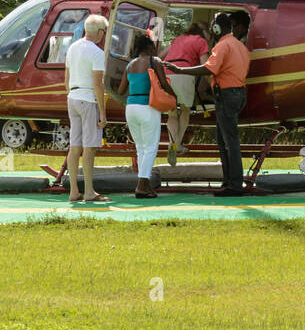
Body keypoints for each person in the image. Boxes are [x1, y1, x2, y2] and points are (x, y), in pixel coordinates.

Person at [168, 12, 251, 197]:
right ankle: (229, 181)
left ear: (216, 28)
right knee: (223, 140)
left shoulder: (222, 46)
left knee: (230, 141)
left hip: (227, 95)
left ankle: (235, 185)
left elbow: (208, 68)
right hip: (238, 93)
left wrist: (181, 69)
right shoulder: (240, 46)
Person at [119, 31, 174, 198]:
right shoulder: (154, 61)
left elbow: (121, 90)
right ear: (149, 47)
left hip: (131, 107)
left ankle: (144, 185)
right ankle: (141, 186)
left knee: (141, 148)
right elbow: (164, 83)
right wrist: (175, 97)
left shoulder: (130, 65)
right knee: (150, 148)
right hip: (148, 107)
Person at [64, 14, 110, 202]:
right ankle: (90, 192)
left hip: (72, 98)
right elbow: (98, 84)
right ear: (100, 33)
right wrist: (103, 112)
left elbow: (66, 80)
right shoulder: (97, 52)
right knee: (89, 148)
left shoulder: (72, 48)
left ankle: (74, 191)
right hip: (87, 99)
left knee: (74, 147)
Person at [162, 22, 211, 165]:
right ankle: (178, 144)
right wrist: (211, 84)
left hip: (167, 74)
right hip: (184, 73)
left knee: (171, 113)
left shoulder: (178, 39)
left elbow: (161, 55)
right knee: (185, 109)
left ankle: (171, 144)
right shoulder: (201, 41)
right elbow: (205, 65)